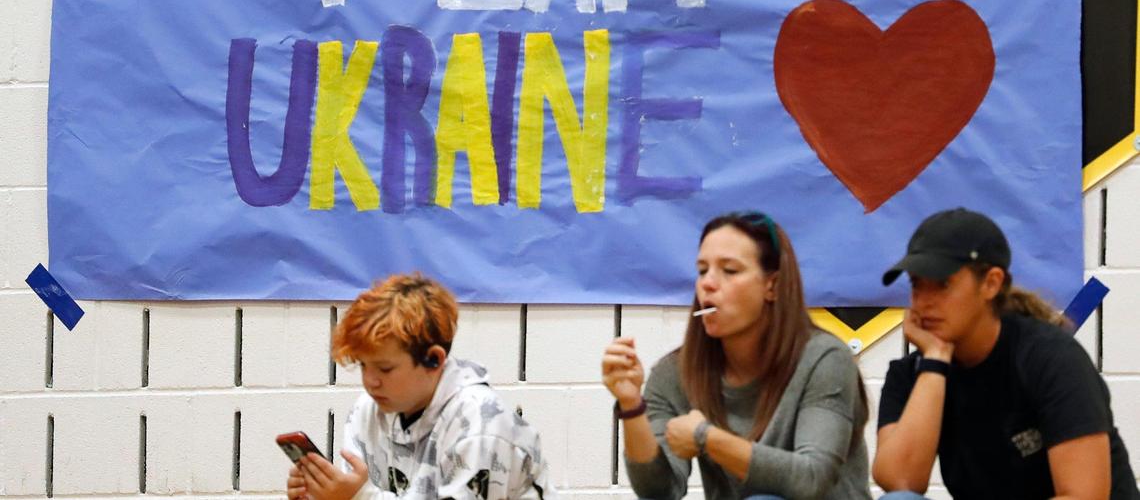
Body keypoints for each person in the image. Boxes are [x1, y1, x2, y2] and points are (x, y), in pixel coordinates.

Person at [602, 212, 872, 500]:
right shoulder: (674, 373)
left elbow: (811, 479)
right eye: (702, 270)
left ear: (772, 285)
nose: (708, 283)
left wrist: (706, 437)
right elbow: (659, 491)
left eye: (729, 270)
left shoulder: (825, 359)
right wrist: (631, 406)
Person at [873, 207, 1138, 500]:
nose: (924, 301)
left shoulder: (1050, 358)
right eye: (916, 285)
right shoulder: (913, 373)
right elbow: (900, 482)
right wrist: (935, 361)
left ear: (991, 283)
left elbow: (1085, 496)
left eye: (942, 285)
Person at [287, 272, 555, 500]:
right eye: (363, 365)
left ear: (434, 359)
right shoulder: (367, 410)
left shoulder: (482, 425)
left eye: (385, 369)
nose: (370, 381)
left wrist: (357, 496)